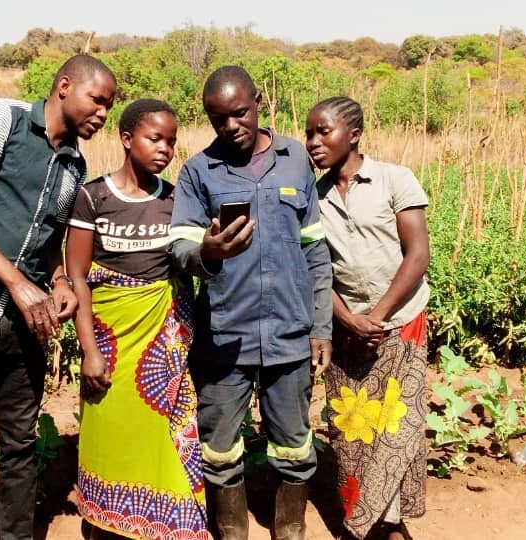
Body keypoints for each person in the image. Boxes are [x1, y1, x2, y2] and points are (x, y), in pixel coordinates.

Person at [0, 54, 116, 540]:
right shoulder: (1, 119)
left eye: (109, 107)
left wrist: (57, 283)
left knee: (20, 445)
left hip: (26, 325)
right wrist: (15, 281)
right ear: (65, 85)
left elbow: (50, 242)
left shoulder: (75, 164)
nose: (102, 114)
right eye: (97, 100)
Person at [168, 65, 333, 540]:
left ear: (259, 102)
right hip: (225, 335)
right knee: (218, 448)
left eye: (239, 113)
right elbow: (179, 247)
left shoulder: (295, 160)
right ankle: (232, 530)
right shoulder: (199, 170)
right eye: (218, 119)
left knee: (294, 445)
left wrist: (321, 327)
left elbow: (315, 251)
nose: (230, 126)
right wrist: (208, 251)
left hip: (289, 332)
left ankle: (290, 529)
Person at [65, 99, 210, 539]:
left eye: (171, 141)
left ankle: (164, 522)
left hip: (161, 345)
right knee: (110, 432)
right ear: (127, 139)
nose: (165, 149)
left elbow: (188, 264)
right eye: (154, 138)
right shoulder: (93, 197)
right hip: (109, 341)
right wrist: (89, 351)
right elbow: (78, 277)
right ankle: (109, 520)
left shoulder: (176, 201)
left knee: (161, 437)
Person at [304, 96, 431, 540]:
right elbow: (316, 270)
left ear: (353, 134)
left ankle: (386, 526)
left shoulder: (395, 180)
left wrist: (376, 317)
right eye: (309, 133)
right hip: (347, 331)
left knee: (397, 428)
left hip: (400, 325)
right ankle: (371, 521)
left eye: (324, 131)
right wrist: (348, 319)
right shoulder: (313, 197)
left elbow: (417, 256)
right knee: (353, 431)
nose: (314, 142)